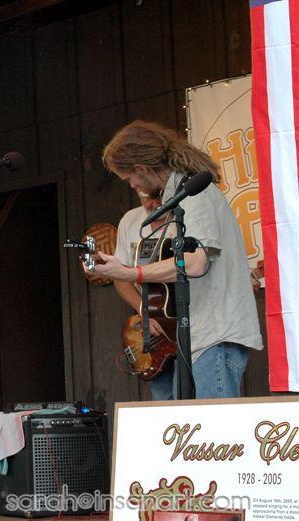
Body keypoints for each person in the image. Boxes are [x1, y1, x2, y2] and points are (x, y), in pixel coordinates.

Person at [91, 120, 262, 399]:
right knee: (188, 424)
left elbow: (195, 263)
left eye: (129, 179)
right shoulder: (181, 195)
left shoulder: (196, 195)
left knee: (215, 423)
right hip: (195, 335)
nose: (132, 185)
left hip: (214, 334)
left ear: (142, 169)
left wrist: (130, 273)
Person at [113, 192, 174, 400]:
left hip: (192, 327)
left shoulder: (188, 216)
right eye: (145, 197)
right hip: (153, 333)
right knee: (163, 406)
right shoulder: (130, 221)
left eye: (159, 197)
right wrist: (145, 311)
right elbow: (121, 278)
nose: (152, 204)